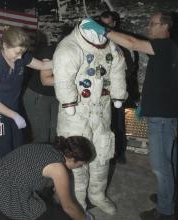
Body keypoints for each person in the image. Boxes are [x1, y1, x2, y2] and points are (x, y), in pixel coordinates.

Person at [82, 11, 178, 220]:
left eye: (153, 24)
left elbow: (132, 43)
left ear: (165, 26)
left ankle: (166, 210)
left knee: (161, 167)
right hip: (164, 113)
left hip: (162, 119)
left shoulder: (164, 45)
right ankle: (170, 197)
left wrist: (103, 30)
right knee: (171, 162)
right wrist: (145, 103)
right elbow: (165, 82)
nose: (148, 27)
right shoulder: (169, 49)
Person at [53, 18, 128, 215]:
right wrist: (68, 101)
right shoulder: (70, 47)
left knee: (102, 154)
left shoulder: (110, 46)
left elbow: (119, 68)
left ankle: (97, 195)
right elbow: (62, 76)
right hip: (75, 113)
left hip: (101, 110)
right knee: (75, 158)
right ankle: (77, 202)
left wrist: (119, 94)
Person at [0, 136, 95, 220]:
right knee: (38, 210)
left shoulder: (50, 148)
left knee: (48, 200)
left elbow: (56, 195)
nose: (80, 167)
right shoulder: (58, 169)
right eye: (81, 164)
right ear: (73, 159)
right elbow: (68, 207)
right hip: (4, 196)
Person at [0, 26, 53, 159]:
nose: (20, 56)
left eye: (23, 52)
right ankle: (5, 178)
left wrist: (65, 59)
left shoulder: (22, 57)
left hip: (15, 110)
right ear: (5, 45)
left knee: (19, 150)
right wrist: (14, 115)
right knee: (5, 155)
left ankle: (19, 177)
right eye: (17, 53)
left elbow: (44, 65)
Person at [100, 11, 140, 164]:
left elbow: (130, 68)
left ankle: (120, 153)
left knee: (118, 123)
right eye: (101, 24)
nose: (103, 27)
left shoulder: (123, 41)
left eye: (107, 24)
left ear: (114, 24)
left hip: (118, 89)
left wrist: (115, 81)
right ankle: (105, 152)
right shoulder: (98, 40)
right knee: (103, 122)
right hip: (101, 89)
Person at [23, 30, 58, 144]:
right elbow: (45, 80)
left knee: (55, 132)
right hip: (38, 96)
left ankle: (53, 160)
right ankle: (41, 161)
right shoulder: (49, 50)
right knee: (42, 136)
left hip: (55, 95)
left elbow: (43, 65)